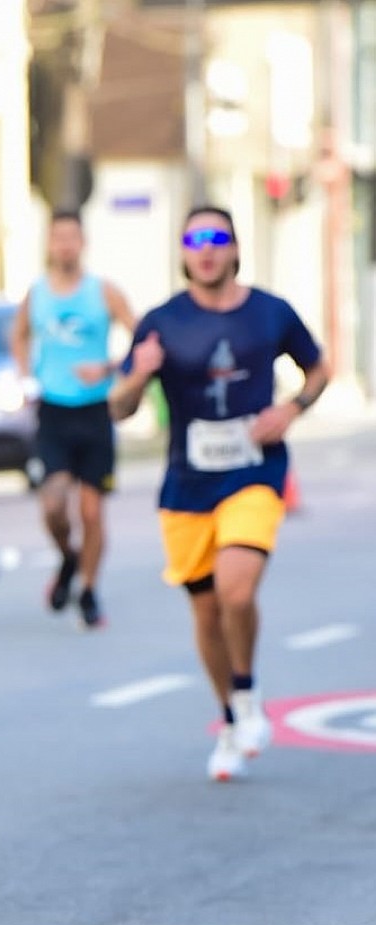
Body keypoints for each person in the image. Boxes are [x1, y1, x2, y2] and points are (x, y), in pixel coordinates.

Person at [109, 205, 330, 781]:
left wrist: (292, 408)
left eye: (216, 238)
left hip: (255, 471)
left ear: (235, 248)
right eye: (194, 239)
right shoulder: (160, 322)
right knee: (206, 613)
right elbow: (120, 406)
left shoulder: (270, 312)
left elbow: (319, 368)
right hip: (187, 484)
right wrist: (137, 375)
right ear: (183, 253)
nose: (205, 249)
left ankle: (250, 695)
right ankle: (230, 717)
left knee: (236, 590)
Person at [11, 209, 136, 628]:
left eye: (72, 237)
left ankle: (88, 590)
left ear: (83, 242)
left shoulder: (104, 292)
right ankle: (68, 557)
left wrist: (110, 367)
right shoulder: (38, 294)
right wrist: (26, 376)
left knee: (93, 512)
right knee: (53, 504)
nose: (65, 245)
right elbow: (18, 336)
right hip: (53, 411)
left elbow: (143, 339)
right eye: (58, 237)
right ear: (50, 244)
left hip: (95, 411)